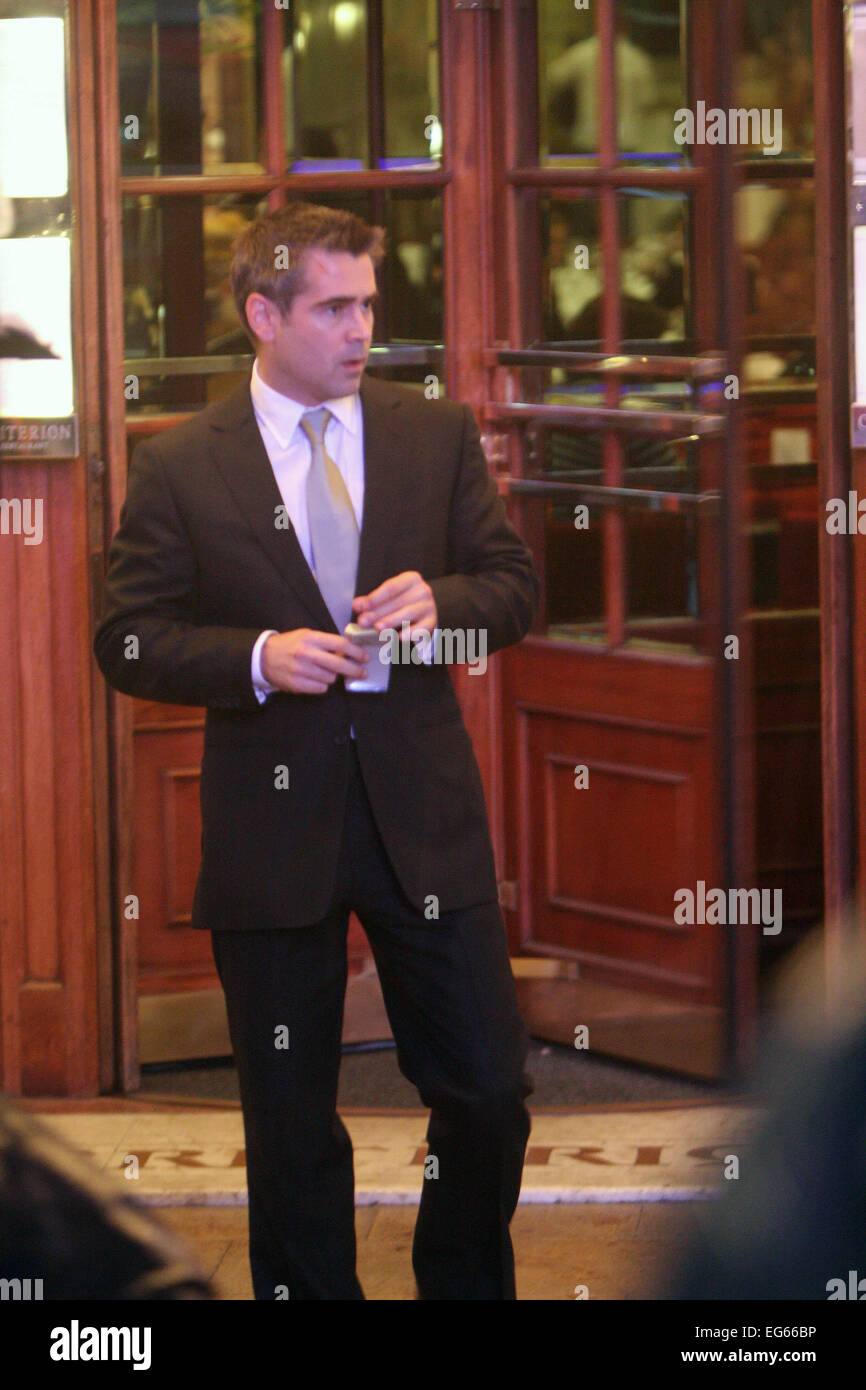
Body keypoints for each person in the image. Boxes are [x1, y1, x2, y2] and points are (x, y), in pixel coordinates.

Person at [94, 202, 539, 1301]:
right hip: (271, 829)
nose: (361, 331)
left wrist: (445, 602)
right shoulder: (183, 466)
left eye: (368, 306)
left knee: (485, 1089)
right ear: (263, 315)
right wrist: (255, 656)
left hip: (422, 819)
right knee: (290, 1117)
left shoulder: (430, 433)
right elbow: (126, 636)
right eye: (334, 308)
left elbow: (515, 589)